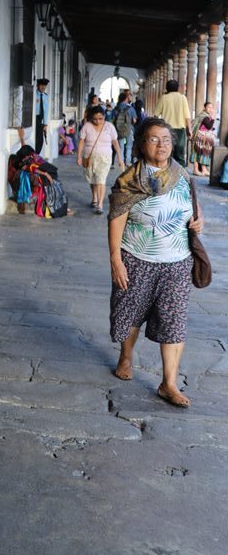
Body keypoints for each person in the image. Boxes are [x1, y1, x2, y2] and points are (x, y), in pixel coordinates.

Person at [108, 117, 204, 408]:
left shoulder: (183, 175)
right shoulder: (128, 181)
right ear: (141, 145)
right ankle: (126, 356)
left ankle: (169, 383)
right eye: (153, 139)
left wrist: (199, 223)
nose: (161, 144)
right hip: (137, 259)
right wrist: (115, 260)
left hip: (177, 262)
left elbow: (193, 212)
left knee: (174, 322)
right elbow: (116, 220)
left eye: (165, 139)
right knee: (131, 312)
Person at [77, 104, 124, 213]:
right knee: (92, 179)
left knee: (101, 180)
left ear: (104, 116)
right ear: (91, 117)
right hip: (89, 157)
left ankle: (100, 204)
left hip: (105, 158)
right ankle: (94, 198)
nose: (98, 121)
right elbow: (81, 142)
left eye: (100, 119)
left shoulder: (109, 126)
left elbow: (115, 142)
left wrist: (120, 158)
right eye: (95, 119)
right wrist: (79, 156)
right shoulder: (87, 126)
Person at [153, 79, 192, 167]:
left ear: (167, 88)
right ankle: (180, 174)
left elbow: (155, 115)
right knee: (180, 153)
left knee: (167, 152)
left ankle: (168, 172)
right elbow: (187, 117)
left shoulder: (164, 98)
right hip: (180, 131)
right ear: (178, 88)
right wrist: (189, 130)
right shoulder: (183, 98)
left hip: (167, 130)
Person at [190, 100, 217, 177]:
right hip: (200, 137)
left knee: (201, 153)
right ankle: (197, 169)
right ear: (205, 108)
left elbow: (208, 127)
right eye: (209, 107)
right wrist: (213, 119)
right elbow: (208, 126)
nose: (210, 109)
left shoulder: (205, 116)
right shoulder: (204, 117)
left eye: (211, 107)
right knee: (200, 153)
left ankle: (202, 169)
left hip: (202, 137)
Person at [112, 89, 137, 163]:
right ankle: (128, 161)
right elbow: (134, 120)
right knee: (129, 146)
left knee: (121, 146)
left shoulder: (116, 108)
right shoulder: (131, 108)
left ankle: (121, 161)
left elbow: (113, 119)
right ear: (126, 99)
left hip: (119, 129)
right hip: (129, 129)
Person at [35, 78, 50, 152]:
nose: (43, 87)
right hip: (35, 118)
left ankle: (37, 155)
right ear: (37, 86)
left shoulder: (46, 96)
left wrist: (45, 124)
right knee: (38, 138)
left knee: (40, 140)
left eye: (45, 86)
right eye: (41, 85)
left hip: (41, 119)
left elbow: (46, 111)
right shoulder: (34, 94)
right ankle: (36, 155)